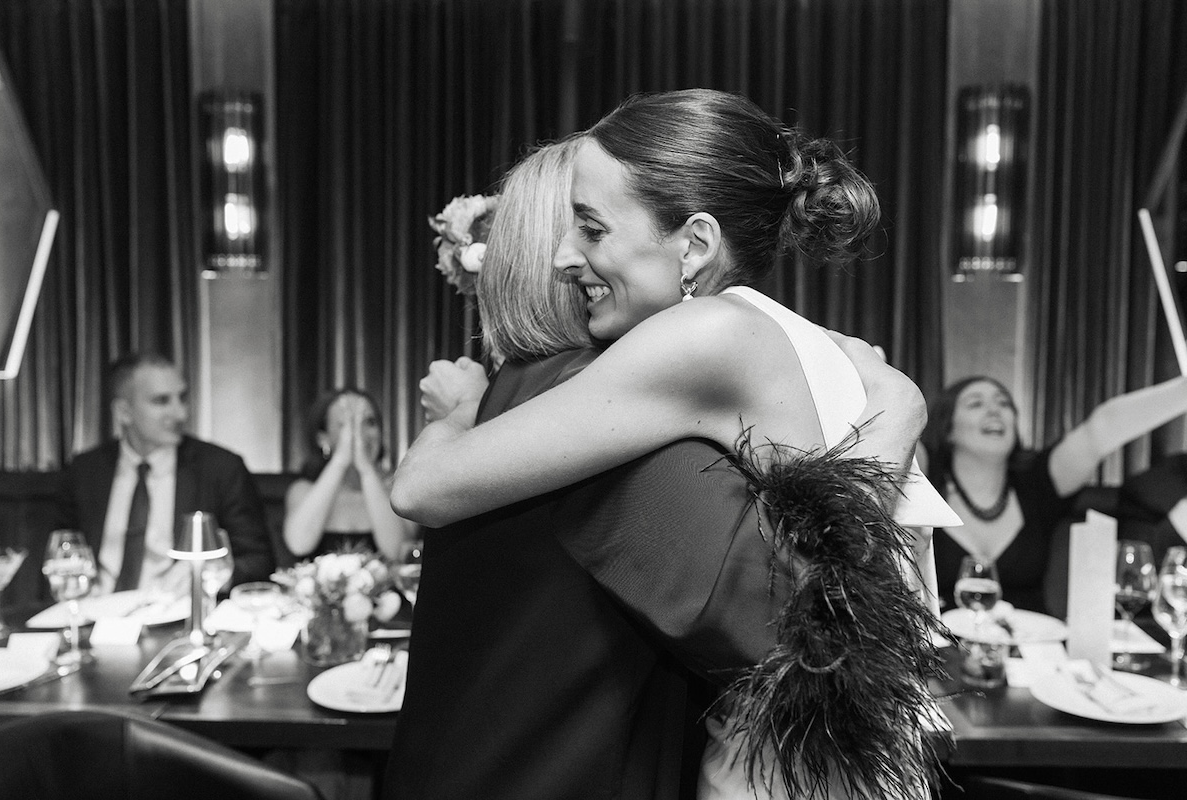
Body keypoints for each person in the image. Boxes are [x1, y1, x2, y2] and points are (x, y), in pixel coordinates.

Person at [392, 90, 956, 799]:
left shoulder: (702, 337)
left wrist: (900, 414)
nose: (564, 256)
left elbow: (819, 616)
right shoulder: (784, 336)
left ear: (694, 244)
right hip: (841, 741)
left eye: (592, 228)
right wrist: (897, 408)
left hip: (796, 754)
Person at [920, 374, 1187, 616]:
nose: (994, 410)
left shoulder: (1038, 483)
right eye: (975, 404)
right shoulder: (923, 477)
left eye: (1004, 403)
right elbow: (899, 434)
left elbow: (1102, 429)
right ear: (948, 428)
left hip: (1032, 647)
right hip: (935, 645)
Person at [55, 352, 274, 597]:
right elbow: (61, 551)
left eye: (182, 398)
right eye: (161, 401)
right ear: (124, 412)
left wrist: (212, 573)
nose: (181, 414)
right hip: (97, 608)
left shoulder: (220, 468)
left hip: (177, 610)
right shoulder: (86, 470)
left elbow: (259, 561)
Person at [283, 388, 416, 558]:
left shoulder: (401, 489)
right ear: (322, 438)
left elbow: (398, 553)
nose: (359, 434)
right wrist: (340, 461)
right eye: (345, 424)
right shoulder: (303, 490)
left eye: (369, 422)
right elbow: (299, 544)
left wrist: (366, 470)